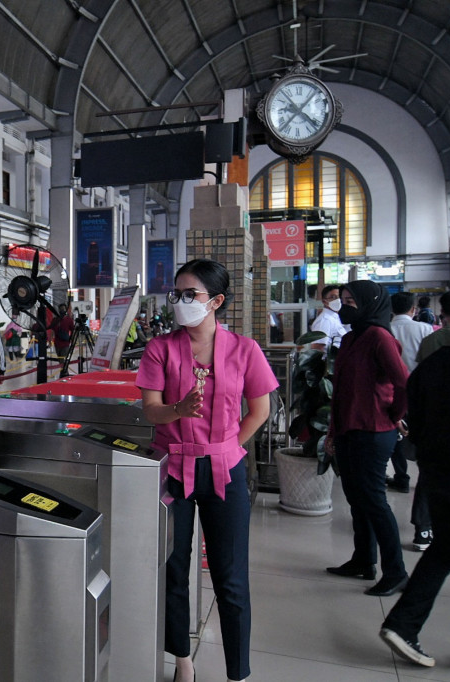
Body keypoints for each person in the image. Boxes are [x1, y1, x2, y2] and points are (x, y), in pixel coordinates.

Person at [136, 258, 276, 682]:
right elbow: (151, 411)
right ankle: (182, 661)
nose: (180, 302)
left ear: (215, 301)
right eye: (176, 293)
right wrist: (177, 410)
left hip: (225, 471)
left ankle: (238, 672)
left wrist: (229, 446)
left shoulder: (244, 350)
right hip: (172, 470)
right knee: (174, 570)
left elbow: (261, 409)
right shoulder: (160, 348)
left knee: (230, 577)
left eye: (189, 294)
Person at [379, 283, 450, 675]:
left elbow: (417, 427)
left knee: (446, 549)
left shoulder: (428, 369)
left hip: (438, 480)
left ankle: (402, 624)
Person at [325, 280, 410, 597]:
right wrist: (333, 431)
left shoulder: (379, 337)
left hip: (374, 432)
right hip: (349, 429)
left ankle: (396, 571)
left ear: (370, 304)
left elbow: (404, 382)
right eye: (343, 300)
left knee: (374, 501)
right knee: (356, 499)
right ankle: (363, 560)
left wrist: (393, 415)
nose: (345, 306)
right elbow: (341, 392)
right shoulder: (350, 339)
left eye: (351, 301)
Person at [387, 293, 434, 507]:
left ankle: (401, 477)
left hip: (392, 392)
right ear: (412, 309)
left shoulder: (385, 330)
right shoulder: (424, 329)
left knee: (395, 433)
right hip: (419, 392)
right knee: (420, 433)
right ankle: (423, 477)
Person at [310, 285, 347, 350]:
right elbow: (317, 347)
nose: (338, 300)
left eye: (339, 297)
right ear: (324, 301)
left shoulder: (334, 318)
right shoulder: (324, 320)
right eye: (333, 297)